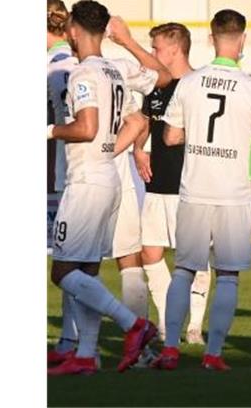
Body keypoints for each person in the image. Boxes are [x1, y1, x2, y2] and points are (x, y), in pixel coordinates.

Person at [151, 10, 251, 371]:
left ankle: (171, 350)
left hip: (194, 190)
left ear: (211, 39)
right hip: (232, 196)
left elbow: (170, 136)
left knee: (183, 270)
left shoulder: (190, 84)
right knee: (227, 275)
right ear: (242, 40)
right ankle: (213, 354)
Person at [47, 0, 157, 376]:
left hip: (86, 182)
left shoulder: (82, 75)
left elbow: (87, 127)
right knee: (87, 272)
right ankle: (85, 356)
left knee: (62, 272)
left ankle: (133, 324)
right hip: (107, 176)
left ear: (74, 30)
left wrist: (47, 130)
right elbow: (148, 98)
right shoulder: (114, 70)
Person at [132, 22, 211, 345]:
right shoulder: (156, 89)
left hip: (190, 185)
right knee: (149, 253)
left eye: (157, 48)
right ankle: (168, 321)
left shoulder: (198, 85)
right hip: (156, 183)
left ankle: (194, 327)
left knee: (194, 259)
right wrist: (138, 149)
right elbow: (143, 123)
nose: (153, 54)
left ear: (176, 50)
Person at [104, 16, 172, 331]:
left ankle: (78, 343)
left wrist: (128, 42)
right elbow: (138, 121)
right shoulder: (115, 67)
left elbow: (163, 77)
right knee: (133, 258)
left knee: (73, 268)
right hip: (116, 177)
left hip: (94, 178)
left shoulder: (102, 67)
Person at [47, 0, 80, 365]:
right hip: (75, 174)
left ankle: (72, 342)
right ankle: (71, 341)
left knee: (66, 265)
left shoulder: (51, 67)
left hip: (55, 175)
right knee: (72, 262)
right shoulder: (77, 63)